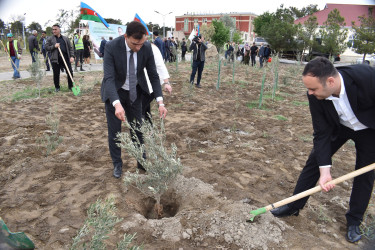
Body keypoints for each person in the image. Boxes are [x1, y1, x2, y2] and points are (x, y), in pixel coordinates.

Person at [270, 57, 375, 244]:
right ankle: (293, 206)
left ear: (331, 82)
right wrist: (324, 170)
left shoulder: (367, 78)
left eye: (313, 89)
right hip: (339, 126)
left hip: (369, 130)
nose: (310, 93)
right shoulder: (315, 96)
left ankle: (354, 221)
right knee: (315, 161)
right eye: (308, 89)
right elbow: (321, 133)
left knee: (365, 173)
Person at [101, 21, 167, 178]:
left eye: (141, 43)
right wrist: (117, 104)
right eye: (135, 44)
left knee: (138, 129)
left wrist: (160, 101)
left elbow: (153, 75)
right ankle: (117, 164)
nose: (138, 47)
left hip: (135, 93)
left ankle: (141, 162)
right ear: (126, 36)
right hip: (114, 93)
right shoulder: (111, 47)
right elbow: (109, 78)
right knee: (115, 132)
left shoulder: (147, 47)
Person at [143, 43, 172, 123]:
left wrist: (166, 83)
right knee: (145, 110)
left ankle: (144, 131)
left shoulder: (152, 48)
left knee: (140, 111)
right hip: (139, 86)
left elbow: (160, 65)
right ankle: (149, 130)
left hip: (150, 86)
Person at [45, 24, 75, 92]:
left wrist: (72, 56)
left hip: (66, 58)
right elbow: (46, 48)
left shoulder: (65, 38)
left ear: (59, 30)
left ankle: (71, 87)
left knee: (70, 72)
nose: (54, 31)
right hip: (56, 59)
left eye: (55, 29)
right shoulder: (50, 39)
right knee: (56, 74)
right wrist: (54, 46)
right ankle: (57, 87)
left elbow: (70, 48)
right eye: (53, 30)